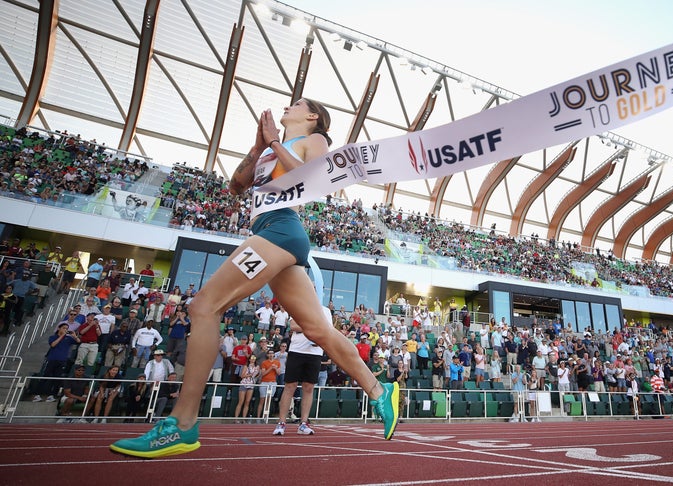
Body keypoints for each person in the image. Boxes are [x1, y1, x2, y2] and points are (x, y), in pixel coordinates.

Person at [111, 99, 399, 459]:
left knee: (203, 307)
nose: (287, 105)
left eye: (297, 104)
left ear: (311, 116)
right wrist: (260, 145)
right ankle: (378, 390)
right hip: (269, 231)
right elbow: (236, 185)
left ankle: (182, 425)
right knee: (316, 329)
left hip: (281, 230)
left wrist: (276, 143)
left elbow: (314, 180)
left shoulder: (316, 139)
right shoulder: (269, 150)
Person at [272, 311, 326, 436]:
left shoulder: (325, 311)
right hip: (296, 351)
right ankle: (281, 423)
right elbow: (293, 326)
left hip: (315, 353)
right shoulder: (299, 307)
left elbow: (325, 330)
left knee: (309, 387)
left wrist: (314, 332)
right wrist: (312, 328)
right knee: (290, 386)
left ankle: (303, 423)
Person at [34, 322, 81, 402]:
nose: (65, 330)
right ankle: (37, 395)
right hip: (52, 359)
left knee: (57, 378)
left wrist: (74, 336)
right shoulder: (53, 337)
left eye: (66, 328)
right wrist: (62, 336)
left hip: (62, 360)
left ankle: (51, 395)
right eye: (64, 328)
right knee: (45, 376)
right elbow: (53, 345)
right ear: (59, 328)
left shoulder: (68, 339)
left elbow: (78, 342)